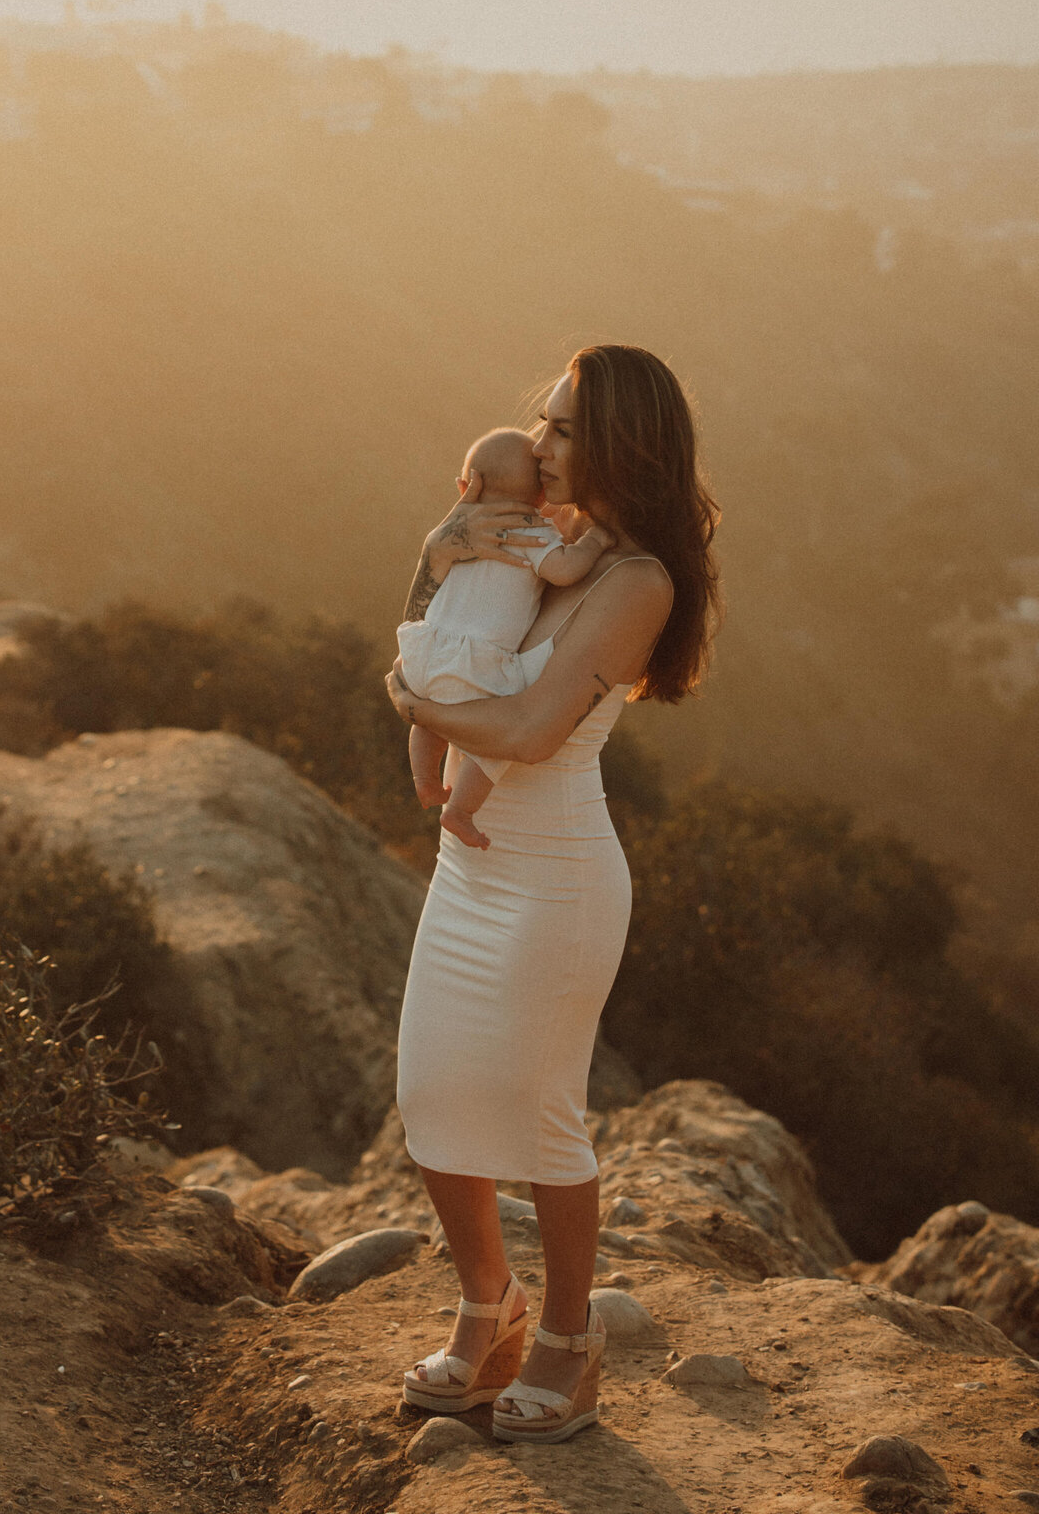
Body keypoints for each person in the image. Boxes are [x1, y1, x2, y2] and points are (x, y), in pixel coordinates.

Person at [387, 343, 720, 1445]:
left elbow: (526, 733)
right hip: (473, 867)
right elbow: (451, 657)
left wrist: (410, 698)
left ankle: (571, 1345)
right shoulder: (551, 545)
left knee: (539, 1117)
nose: (540, 442)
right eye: (545, 418)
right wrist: (432, 562)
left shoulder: (635, 583)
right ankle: (492, 1309)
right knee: (434, 1095)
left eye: (567, 427)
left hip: (557, 880)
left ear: (623, 444)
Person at [399, 425, 613, 849]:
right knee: (493, 741)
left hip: (423, 650)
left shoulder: (463, 528)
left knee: (428, 712)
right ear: (541, 498)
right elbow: (564, 570)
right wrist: (594, 542)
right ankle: (459, 810)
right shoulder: (531, 530)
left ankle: (425, 780)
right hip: (479, 663)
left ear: (466, 486)